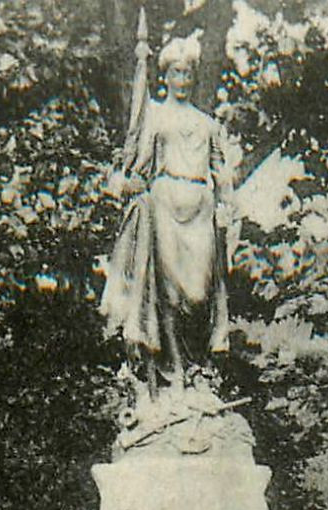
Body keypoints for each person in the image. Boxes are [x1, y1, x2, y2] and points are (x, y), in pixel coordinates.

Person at [99, 30, 233, 387]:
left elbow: (221, 172)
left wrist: (227, 204)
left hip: (200, 207)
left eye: (188, 73)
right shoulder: (155, 118)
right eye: (176, 72)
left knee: (199, 291)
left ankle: (200, 364)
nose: (183, 80)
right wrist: (125, 181)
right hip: (164, 202)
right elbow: (141, 165)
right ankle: (175, 368)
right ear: (166, 76)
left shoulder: (208, 124)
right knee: (169, 291)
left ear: (194, 76)